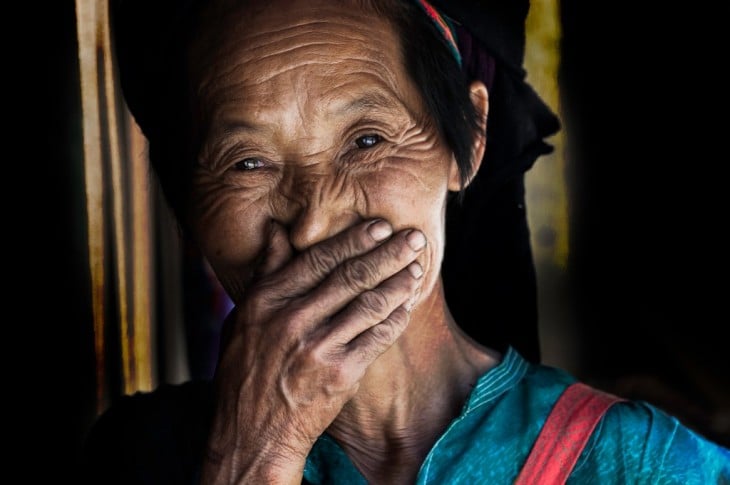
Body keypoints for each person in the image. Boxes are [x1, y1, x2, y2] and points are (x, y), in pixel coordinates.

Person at [84, 0, 730, 483]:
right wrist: (257, 451)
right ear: (184, 202)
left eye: (366, 142)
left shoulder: (643, 463)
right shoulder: (136, 459)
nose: (311, 227)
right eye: (247, 162)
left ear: (469, 137)